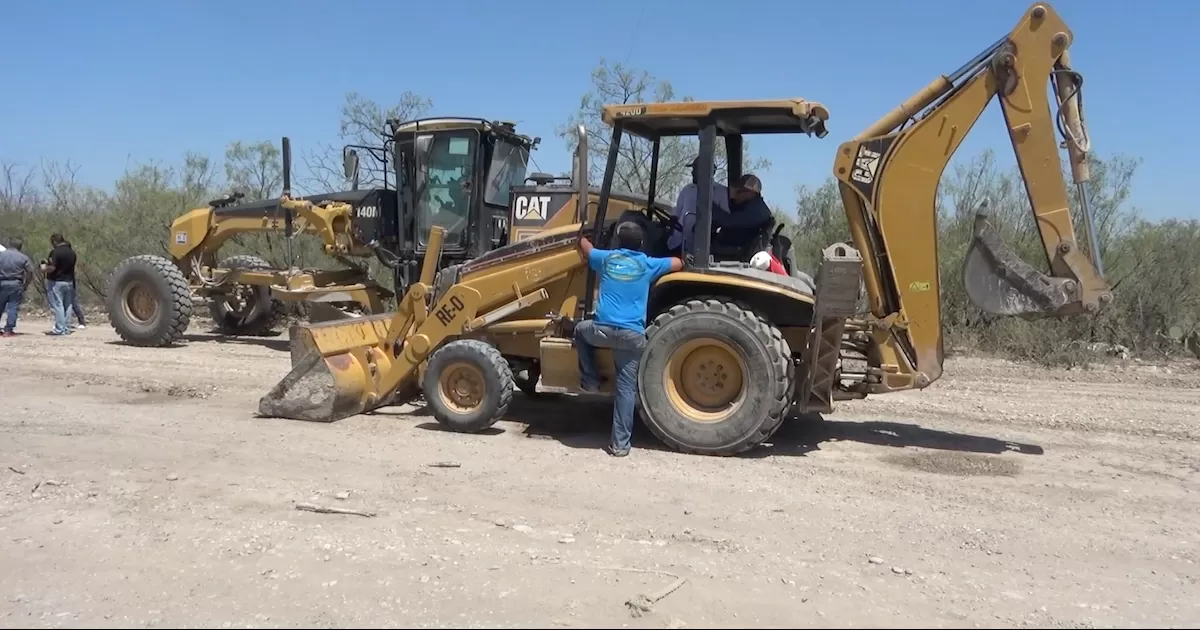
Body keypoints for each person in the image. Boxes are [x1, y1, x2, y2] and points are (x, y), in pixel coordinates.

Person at [575, 223, 683, 457]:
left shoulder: (606, 259)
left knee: (579, 331)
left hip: (601, 331)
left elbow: (586, 249)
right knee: (625, 390)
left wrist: (582, 235)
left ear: (617, 241)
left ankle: (591, 380)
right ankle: (620, 445)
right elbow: (677, 263)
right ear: (641, 243)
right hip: (632, 337)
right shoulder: (647, 264)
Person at [667, 158, 730, 254]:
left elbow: (724, 220)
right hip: (678, 242)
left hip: (702, 249)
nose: (692, 172)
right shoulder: (687, 190)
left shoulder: (720, 192)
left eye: (695, 169)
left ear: (706, 170)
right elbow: (677, 214)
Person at [712, 173, 774, 249]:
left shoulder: (756, 211)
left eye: (738, 191)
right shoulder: (755, 207)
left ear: (751, 193)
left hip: (735, 250)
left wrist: (709, 206)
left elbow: (728, 221)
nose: (734, 195)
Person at [41, 233, 77, 336]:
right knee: (68, 305)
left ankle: (59, 329)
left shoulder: (55, 252)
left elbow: (53, 267)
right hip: (69, 281)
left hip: (56, 282)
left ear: (55, 242)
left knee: (58, 305)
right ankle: (66, 327)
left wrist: (44, 269)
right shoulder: (72, 253)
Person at [0, 236, 36, 337]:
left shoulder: (1, 255)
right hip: (16, 283)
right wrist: (26, 284)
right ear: (20, 246)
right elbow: (30, 271)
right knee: (13, 307)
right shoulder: (23, 257)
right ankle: (8, 329)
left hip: (1, 282)